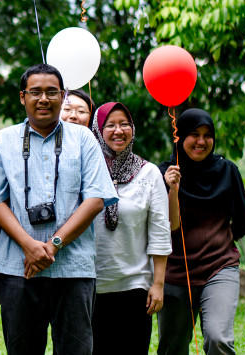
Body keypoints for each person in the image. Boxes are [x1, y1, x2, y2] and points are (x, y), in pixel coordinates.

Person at [0, 63, 117, 355]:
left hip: (73, 267)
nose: (44, 99)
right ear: (22, 97)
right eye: (36, 92)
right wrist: (29, 245)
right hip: (18, 267)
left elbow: (95, 200)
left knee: (76, 350)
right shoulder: (3, 140)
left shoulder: (84, 139)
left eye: (52, 92)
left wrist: (53, 245)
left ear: (63, 95)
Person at [157, 108, 245, 355]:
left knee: (218, 338)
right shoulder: (163, 174)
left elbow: (243, 221)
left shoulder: (227, 170)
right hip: (174, 272)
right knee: (171, 347)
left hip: (219, 267)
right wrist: (172, 190)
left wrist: (217, 240)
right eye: (194, 134)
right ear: (181, 137)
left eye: (207, 135)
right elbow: (167, 228)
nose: (201, 141)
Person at [90, 102, 171, 355]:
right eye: (110, 125)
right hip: (89, 286)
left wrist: (157, 284)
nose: (118, 131)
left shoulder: (149, 173)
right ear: (97, 130)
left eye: (124, 124)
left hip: (135, 287)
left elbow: (160, 230)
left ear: (133, 129)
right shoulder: (86, 170)